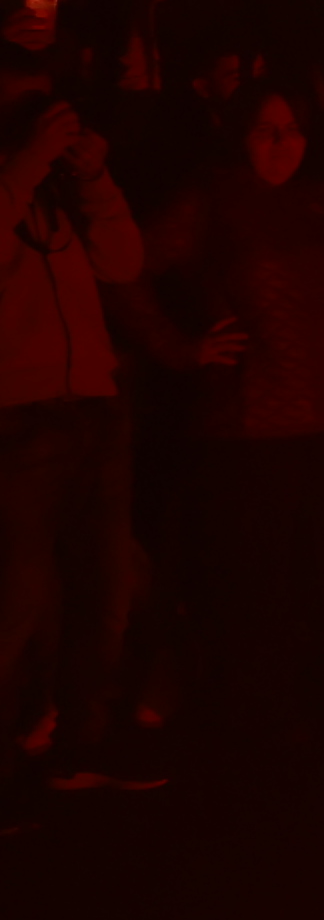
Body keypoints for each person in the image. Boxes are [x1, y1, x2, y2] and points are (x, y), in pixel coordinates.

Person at [136, 86, 324, 731]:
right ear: (239, 135)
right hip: (250, 424)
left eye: (292, 128)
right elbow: (123, 268)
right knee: (254, 584)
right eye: (265, 128)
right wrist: (179, 347)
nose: (281, 141)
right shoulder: (211, 198)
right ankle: (256, 723)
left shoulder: (319, 198)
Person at [0, 52, 148, 790]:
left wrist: (93, 178)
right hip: (17, 414)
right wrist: (25, 163)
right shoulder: (15, 183)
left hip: (94, 403)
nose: (37, 122)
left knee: (105, 590)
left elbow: (124, 263)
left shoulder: (58, 185)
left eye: (44, 106)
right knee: (16, 602)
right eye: (19, 108)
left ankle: (84, 743)